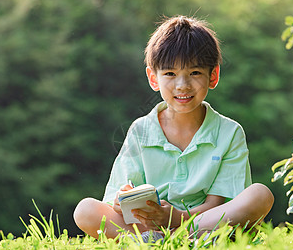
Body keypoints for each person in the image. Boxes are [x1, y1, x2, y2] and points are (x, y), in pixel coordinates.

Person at [73, 16, 274, 239]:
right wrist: (122, 201)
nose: (182, 85)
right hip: (149, 226)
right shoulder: (141, 131)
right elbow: (119, 197)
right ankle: (157, 241)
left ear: (213, 76)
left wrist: (176, 219)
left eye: (195, 73)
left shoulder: (229, 132)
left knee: (260, 195)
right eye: (170, 74)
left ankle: (175, 239)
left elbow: (218, 203)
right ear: (153, 78)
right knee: (86, 210)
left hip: (204, 222)